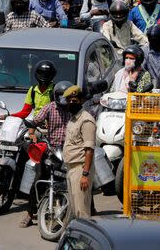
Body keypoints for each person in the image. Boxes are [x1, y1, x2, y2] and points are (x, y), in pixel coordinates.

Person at [19, 80, 73, 228]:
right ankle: (30, 214)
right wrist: (31, 126)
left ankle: (88, 210)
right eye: (62, 97)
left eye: (67, 98)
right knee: (37, 180)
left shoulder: (74, 109)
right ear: (56, 96)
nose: (64, 101)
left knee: (78, 180)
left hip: (69, 151)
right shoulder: (49, 108)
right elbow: (36, 120)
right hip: (51, 151)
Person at [62, 84, 95, 220]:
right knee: (75, 210)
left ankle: (85, 239)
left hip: (81, 168)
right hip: (71, 168)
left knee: (82, 212)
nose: (70, 103)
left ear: (81, 101)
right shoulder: (73, 119)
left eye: (74, 101)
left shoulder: (86, 120)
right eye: (68, 101)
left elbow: (89, 149)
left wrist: (85, 175)